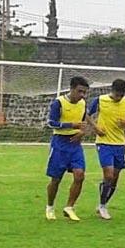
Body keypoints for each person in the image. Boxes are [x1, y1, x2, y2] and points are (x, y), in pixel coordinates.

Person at [87, 78, 125, 220]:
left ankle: (104, 200)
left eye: (121, 95)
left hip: (120, 144)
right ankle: (102, 206)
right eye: (116, 95)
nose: (118, 98)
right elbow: (87, 115)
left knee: (114, 178)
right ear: (112, 90)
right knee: (108, 175)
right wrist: (95, 127)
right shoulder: (100, 100)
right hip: (103, 142)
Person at [45, 76, 89, 221]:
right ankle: (50, 207)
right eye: (80, 91)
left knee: (80, 175)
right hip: (60, 143)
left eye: (84, 92)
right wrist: (71, 125)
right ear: (71, 89)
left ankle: (69, 207)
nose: (82, 95)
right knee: (56, 179)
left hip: (75, 144)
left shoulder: (82, 103)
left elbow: (82, 123)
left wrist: (81, 132)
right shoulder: (59, 103)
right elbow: (52, 123)